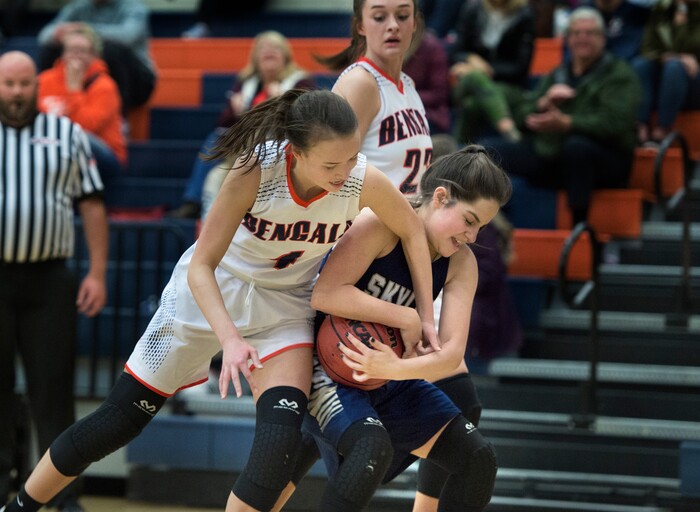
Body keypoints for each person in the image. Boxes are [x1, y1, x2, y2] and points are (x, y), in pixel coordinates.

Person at [0, 88, 440, 512]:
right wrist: (229, 338)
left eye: (351, 156)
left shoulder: (361, 178)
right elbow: (201, 265)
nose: (346, 172)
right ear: (296, 151)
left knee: (280, 441)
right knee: (117, 422)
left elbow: (412, 229)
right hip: (209, 293)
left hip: (285, 305)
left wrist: (425, 315)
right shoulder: (254, 169)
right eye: (332, 163)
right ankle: (20, 506)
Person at [297, 145, 512, 511]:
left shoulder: (462, 263)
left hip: (388, 378)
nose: (473, 236)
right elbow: (326, 294)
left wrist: (394, 369)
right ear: (441, 197)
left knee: (478, 460)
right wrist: (405, 317)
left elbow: (451, 356)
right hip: (329, 370)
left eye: (482, 227)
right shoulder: (380, 224)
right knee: (368, 450)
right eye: (470, 220)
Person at [0, 51, 108, 512]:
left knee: (53, 391)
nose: (18, 92)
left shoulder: (67, 135)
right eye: (9, 84)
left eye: (26, 83)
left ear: (37, 86)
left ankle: (63, 495)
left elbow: (92, 206)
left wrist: (98, 273)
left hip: (49, 281)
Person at [480, 7, 642, 225]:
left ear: (603, 39)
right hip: (552, 152)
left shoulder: (620, 74)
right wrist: (542, 105)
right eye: (576, 33)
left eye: (589, 33)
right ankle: (494, 225)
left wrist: (567, 123)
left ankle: (580, 229)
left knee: (576, 148)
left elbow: (615, 123)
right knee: (487, 151)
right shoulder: (558, 73)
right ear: (567, 39)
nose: (582, 38)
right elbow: (522, 113)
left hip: (605, 160)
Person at [168, 30, 317, 219]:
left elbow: (309, 119)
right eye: (263, 48)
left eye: (275, 48)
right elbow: (223, 122)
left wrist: (282, 104)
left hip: (282, 141)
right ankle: (193, 201)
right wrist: (235, 109)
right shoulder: (245, 83)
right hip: (246, 142)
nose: (269, 52)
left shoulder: (301, 81)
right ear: (255, 57)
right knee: (217, 137)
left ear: (286, 56)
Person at [318, 0, 433, 197]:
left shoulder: (408, 84)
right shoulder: (361, 83)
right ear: (360, 26)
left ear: (414, 23)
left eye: (403, 16)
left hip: (404, 221)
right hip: (366, 223)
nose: (393, 26)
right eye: (379, 17)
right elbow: (331, 176)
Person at [37, 24, 127, 182]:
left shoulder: (105, 86)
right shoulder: (44, 80)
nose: (76, 55)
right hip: (52, 150)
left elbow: (85, 127)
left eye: (83, 51)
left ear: (95, 55)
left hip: (101, 155)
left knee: (77, 137)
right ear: (63, 53)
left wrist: (74, 89)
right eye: (71, 50)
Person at [37, 0, 157, 114]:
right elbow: (44, 35)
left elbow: (128, 36)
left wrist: (83, 29)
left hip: (137, 80)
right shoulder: (78, 7)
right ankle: (52, 107)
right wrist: (59, 33)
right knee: (51, 49)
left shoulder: (133, 7)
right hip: (85, 77)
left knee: (113, 51)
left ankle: (121, 119)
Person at [449, 0, 536, 144]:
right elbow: (455, 52)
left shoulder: (524, 14)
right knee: (475, 78)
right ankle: (505, 124)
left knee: (472, 104)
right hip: (467, 82)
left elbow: (521, 68)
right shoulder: (473, 8)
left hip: (509, 87)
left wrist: (488, 69)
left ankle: (458, 151)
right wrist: (469, 57)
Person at [632, 0, 700, 146]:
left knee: (674, 67)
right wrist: (664, 57)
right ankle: (640, 126)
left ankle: (663, 131)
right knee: (641, 65)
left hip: (695, 78)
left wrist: (681, 23)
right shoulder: (662, 9)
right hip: (668, 73)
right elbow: (647, 48)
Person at [402, 30, 453, 135]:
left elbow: (439, 93)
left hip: (429, 114)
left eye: (403, 17)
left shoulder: (432, 48)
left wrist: (406, 97)